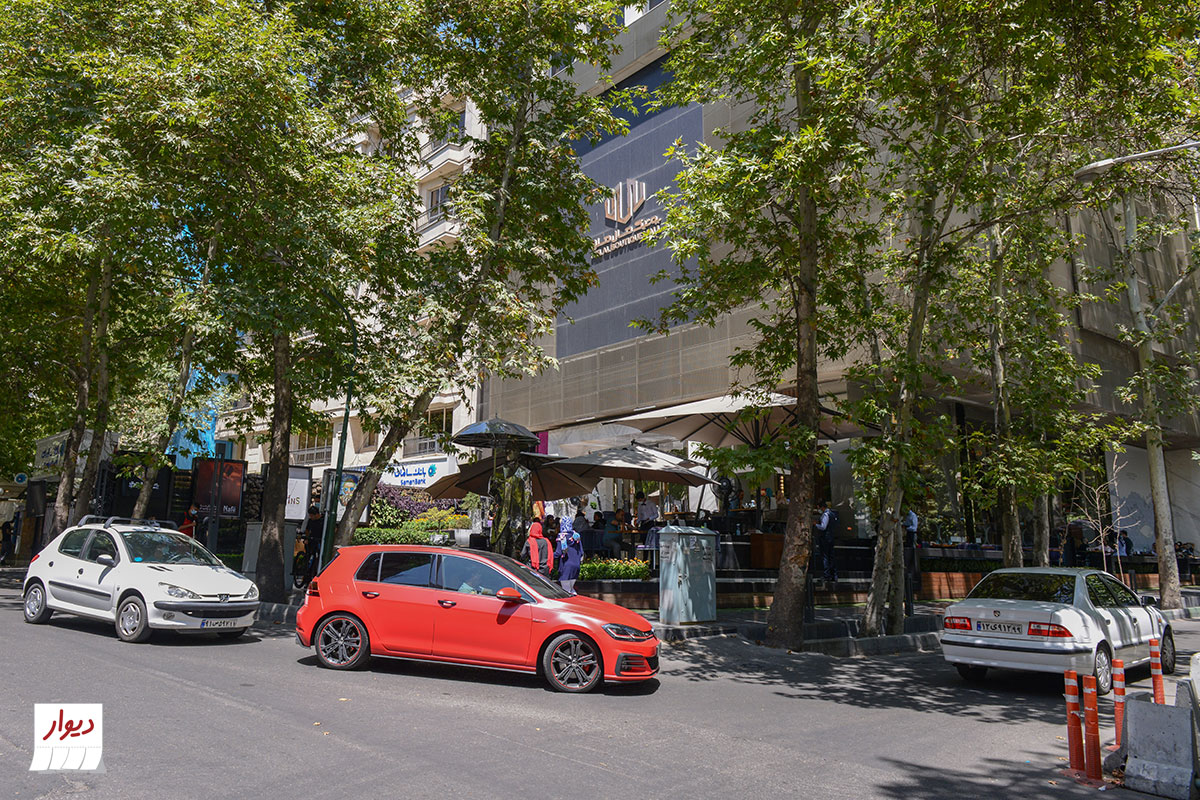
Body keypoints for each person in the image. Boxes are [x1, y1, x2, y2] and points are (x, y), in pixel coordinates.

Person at [816, 501, 839, 584]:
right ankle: (834, 575)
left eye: (819, 508)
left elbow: (823, 527)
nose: (819, 510)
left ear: (822, 507)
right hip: (831, 537)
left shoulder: (826, 514)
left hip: (825, 538)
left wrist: (815, 525)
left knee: (825, 556)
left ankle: (827, 575)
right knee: (831, 556)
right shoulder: (832, 514)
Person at [556, 526, 584, 594]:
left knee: (566, 592)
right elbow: (581, 552)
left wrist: (549, 556)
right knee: (571, 590)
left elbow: (558, 552)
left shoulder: (561, 536)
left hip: (566, 566)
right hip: (576, 566)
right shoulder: (576, 535)